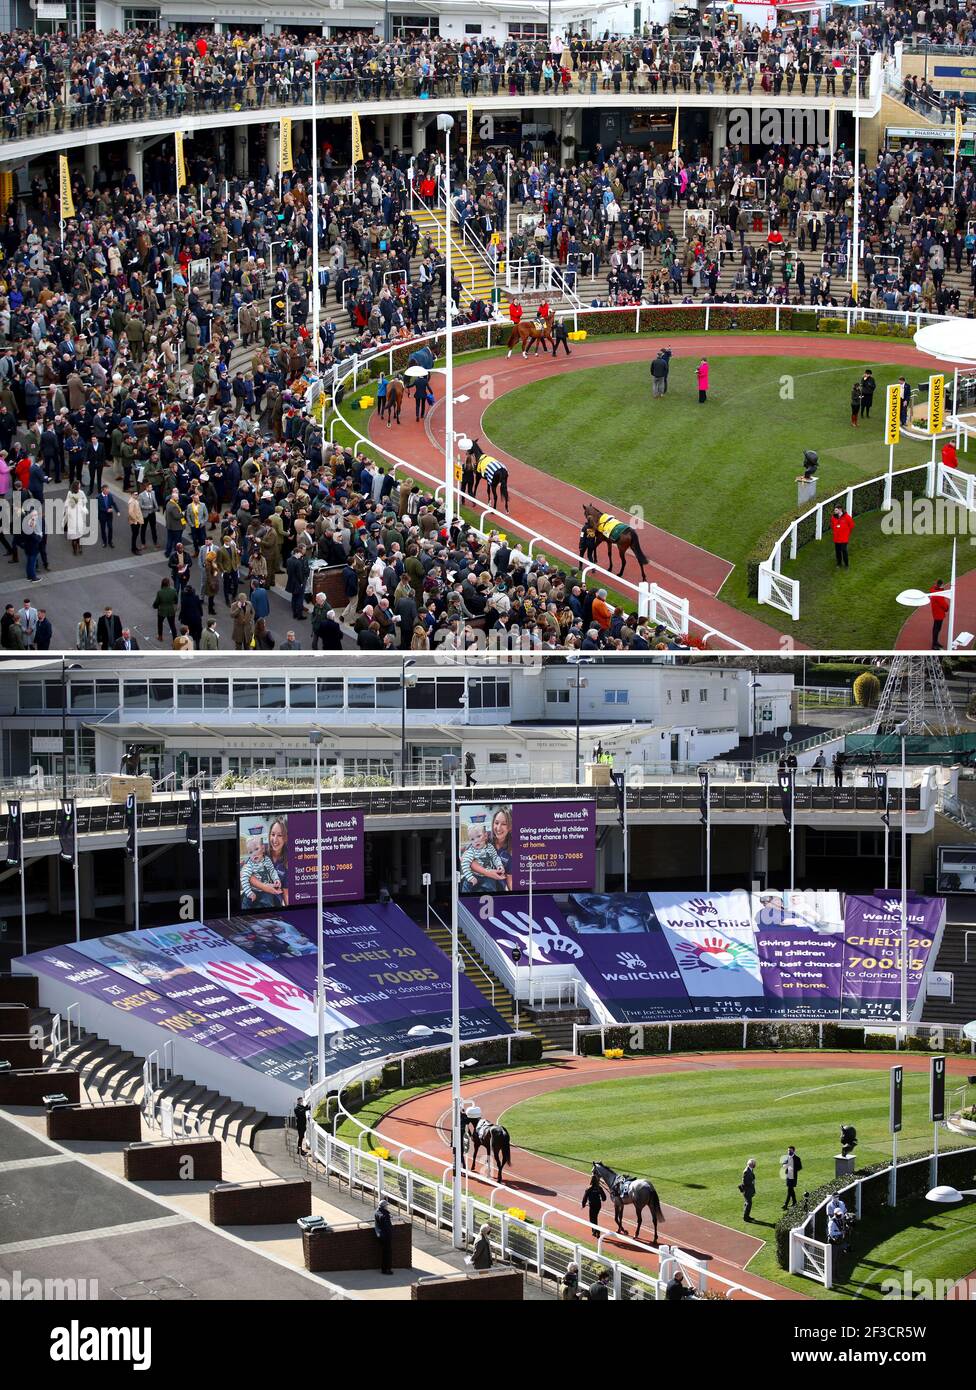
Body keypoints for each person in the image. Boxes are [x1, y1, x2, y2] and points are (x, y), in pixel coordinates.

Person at [374, 1197, 394, 1275]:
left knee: (384, 1252)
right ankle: (387, 1269)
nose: (387, 1207)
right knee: (388, 1253)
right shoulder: (385, 1215)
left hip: (380, 1235)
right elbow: (387, 1227)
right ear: (384, 1206)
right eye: (386, 1206)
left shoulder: (377, 1212)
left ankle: (383, 1269)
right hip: (386, 1236)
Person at [929, 580, 950, 649]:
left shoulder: (934, 591)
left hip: (936, 612)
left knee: (936, 628)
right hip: (939, 613)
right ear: (940, 585)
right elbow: (943, 604)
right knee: (937, 628)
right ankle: (934, 644)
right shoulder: (939, 594)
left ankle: (935, 642)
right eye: (942, 585)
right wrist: (947, 608)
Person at [740, 1157, 757, 1222]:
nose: (755, 1165)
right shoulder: (746, 1171)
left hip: (749, 1190)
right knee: (748, 1203)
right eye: (754, 1164)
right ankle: (745, 1218)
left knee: (747, 1203)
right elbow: (744, 1182)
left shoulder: (750, 1169)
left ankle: (746, 1216)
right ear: (751, 1164)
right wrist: (751, 1182)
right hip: (747, 1190)